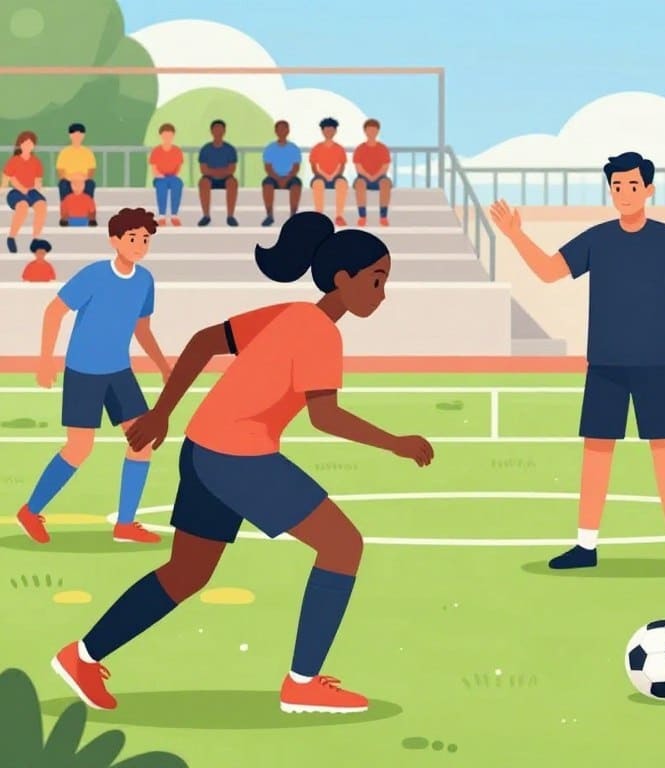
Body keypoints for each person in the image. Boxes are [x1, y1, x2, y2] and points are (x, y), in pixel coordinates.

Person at [50, 212, 435, 714]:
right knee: (343, 546)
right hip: (239, 458)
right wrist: (395, 443)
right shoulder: (321, 332)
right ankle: (302, 682)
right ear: (344, 279)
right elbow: (325, 416)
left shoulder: (289, 313)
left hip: (202, 447)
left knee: (186, 573)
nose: (382, 294)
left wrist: (166, 412)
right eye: (377, 281)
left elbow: (205, 340)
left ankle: (81, 655)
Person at [489, 151, 665, 572]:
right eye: (617, 186)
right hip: (605, 365)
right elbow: (550, 271)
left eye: (632, 185)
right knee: (597, 451)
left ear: (648, 189)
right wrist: (517, 235)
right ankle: (585, 546)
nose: (624, 193)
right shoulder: (598, 239)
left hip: (657, 365)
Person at [15, 209, 171, 546]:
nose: (139, 245)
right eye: (132, 238)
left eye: (145, 239)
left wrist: (162, 364)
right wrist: (45, 362)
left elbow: (142, 328)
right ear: (115, 240)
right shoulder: (94, 275)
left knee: (141, 443)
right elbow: (54, 311)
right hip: (84, 372)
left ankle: (125, 524)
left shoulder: (145, 280)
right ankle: (31, 511)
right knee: (79, 448)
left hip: (120, 372)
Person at [3, 130, 47, 253]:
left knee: (41, 205)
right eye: (25, 143)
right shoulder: (14, 161)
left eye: (31, 144)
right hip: (16, 192)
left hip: (31, 191)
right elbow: (8, 180)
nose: (28, 146)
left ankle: (36, 238)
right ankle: (11, 237)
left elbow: (38, 181)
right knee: (22, 206)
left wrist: (37, 187)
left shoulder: (36, 162)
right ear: (20, 145)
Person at [197, 120, 239, 227]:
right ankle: (206, 216)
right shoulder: (205, 149)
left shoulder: (230, 149)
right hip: (209, 178)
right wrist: (218, 172)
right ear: (211, 131)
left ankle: (230, 216)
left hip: (226, 178)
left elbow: (232, 169)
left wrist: (218, 172)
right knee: (203, 183)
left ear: (224, 131)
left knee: (233, 183)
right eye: (216, 129)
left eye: (220, 129)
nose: (218, 131)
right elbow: (203, 169)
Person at [261, 120, 302, 226]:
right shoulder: (269, 148)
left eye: (284, 128)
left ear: (288, 131)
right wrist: (278, 178)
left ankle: (293, 215)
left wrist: (287, 178)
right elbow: (268, 168)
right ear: (275, 131)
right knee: (267, 184)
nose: (282, 131)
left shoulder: (294, 148)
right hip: (274, 177)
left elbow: (296, 167)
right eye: (279, 128)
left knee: (296, 184)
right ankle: (269, 215)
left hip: (290, 177)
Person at [310, 117, 349, 227]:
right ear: (322, 131)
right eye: (327, 130)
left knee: (342, 184)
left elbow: (341, 166)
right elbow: (314, 166)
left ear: (335, 131)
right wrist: (324, 175)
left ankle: (339, 216)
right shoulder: (317, 148)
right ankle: (319, 216)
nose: (329, 133)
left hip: (336, 176)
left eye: (331, 130)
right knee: (318, 184)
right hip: (320, 175)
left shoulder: (340, 148)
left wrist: (333, 175)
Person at [353, 119, 391, 227]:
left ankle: (383, 217)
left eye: (374, 130)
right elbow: (358, 167)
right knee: (359, 184)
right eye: (369, 130)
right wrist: (368, 176)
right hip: (363, 177)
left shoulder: (383, 148)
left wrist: (375, 176)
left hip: (380, 177)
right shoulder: (360, 149)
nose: (372, 133)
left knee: (386, 183)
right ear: (365, 131)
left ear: (378, 131)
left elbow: (385, 167)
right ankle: (362, 216)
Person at [150, 123, 185, 227]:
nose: (167, 138)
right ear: (161, 136)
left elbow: (179, 167)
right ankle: (162, 216)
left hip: (172, 176)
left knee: (177, 184)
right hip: (160, 177)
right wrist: (159, 175)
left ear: (173, 136)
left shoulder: (177, 151)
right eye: (165, 135)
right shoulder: (156, 150)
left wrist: (173, 175)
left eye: (169, 136)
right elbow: (154, 168)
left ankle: (174, 215)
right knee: (161, 187)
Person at [56, 123, 96, 201]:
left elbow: (91, 171)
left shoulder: (88, 152)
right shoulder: (64, 152)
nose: (77, 136)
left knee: (90, 184)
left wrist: (82, 179)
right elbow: (60, 172)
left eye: (80, 134)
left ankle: (87, 209)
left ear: (83, 135)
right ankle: (65, 210)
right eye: (74, 134)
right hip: (68, 180)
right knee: (63, 184)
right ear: (70, 135)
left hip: (84, 179)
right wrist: (72, 179)